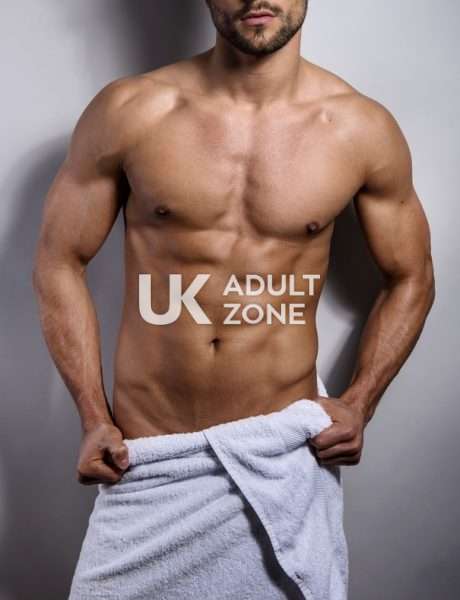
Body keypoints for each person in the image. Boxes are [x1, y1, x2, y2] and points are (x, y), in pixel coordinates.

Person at [32, 1, 435, 598]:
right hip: (149, 462)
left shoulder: (359, 128)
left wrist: (359, 404)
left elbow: (412, 276)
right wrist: (92, 417)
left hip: (281, 459)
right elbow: (58, 260)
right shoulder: (130, 111)